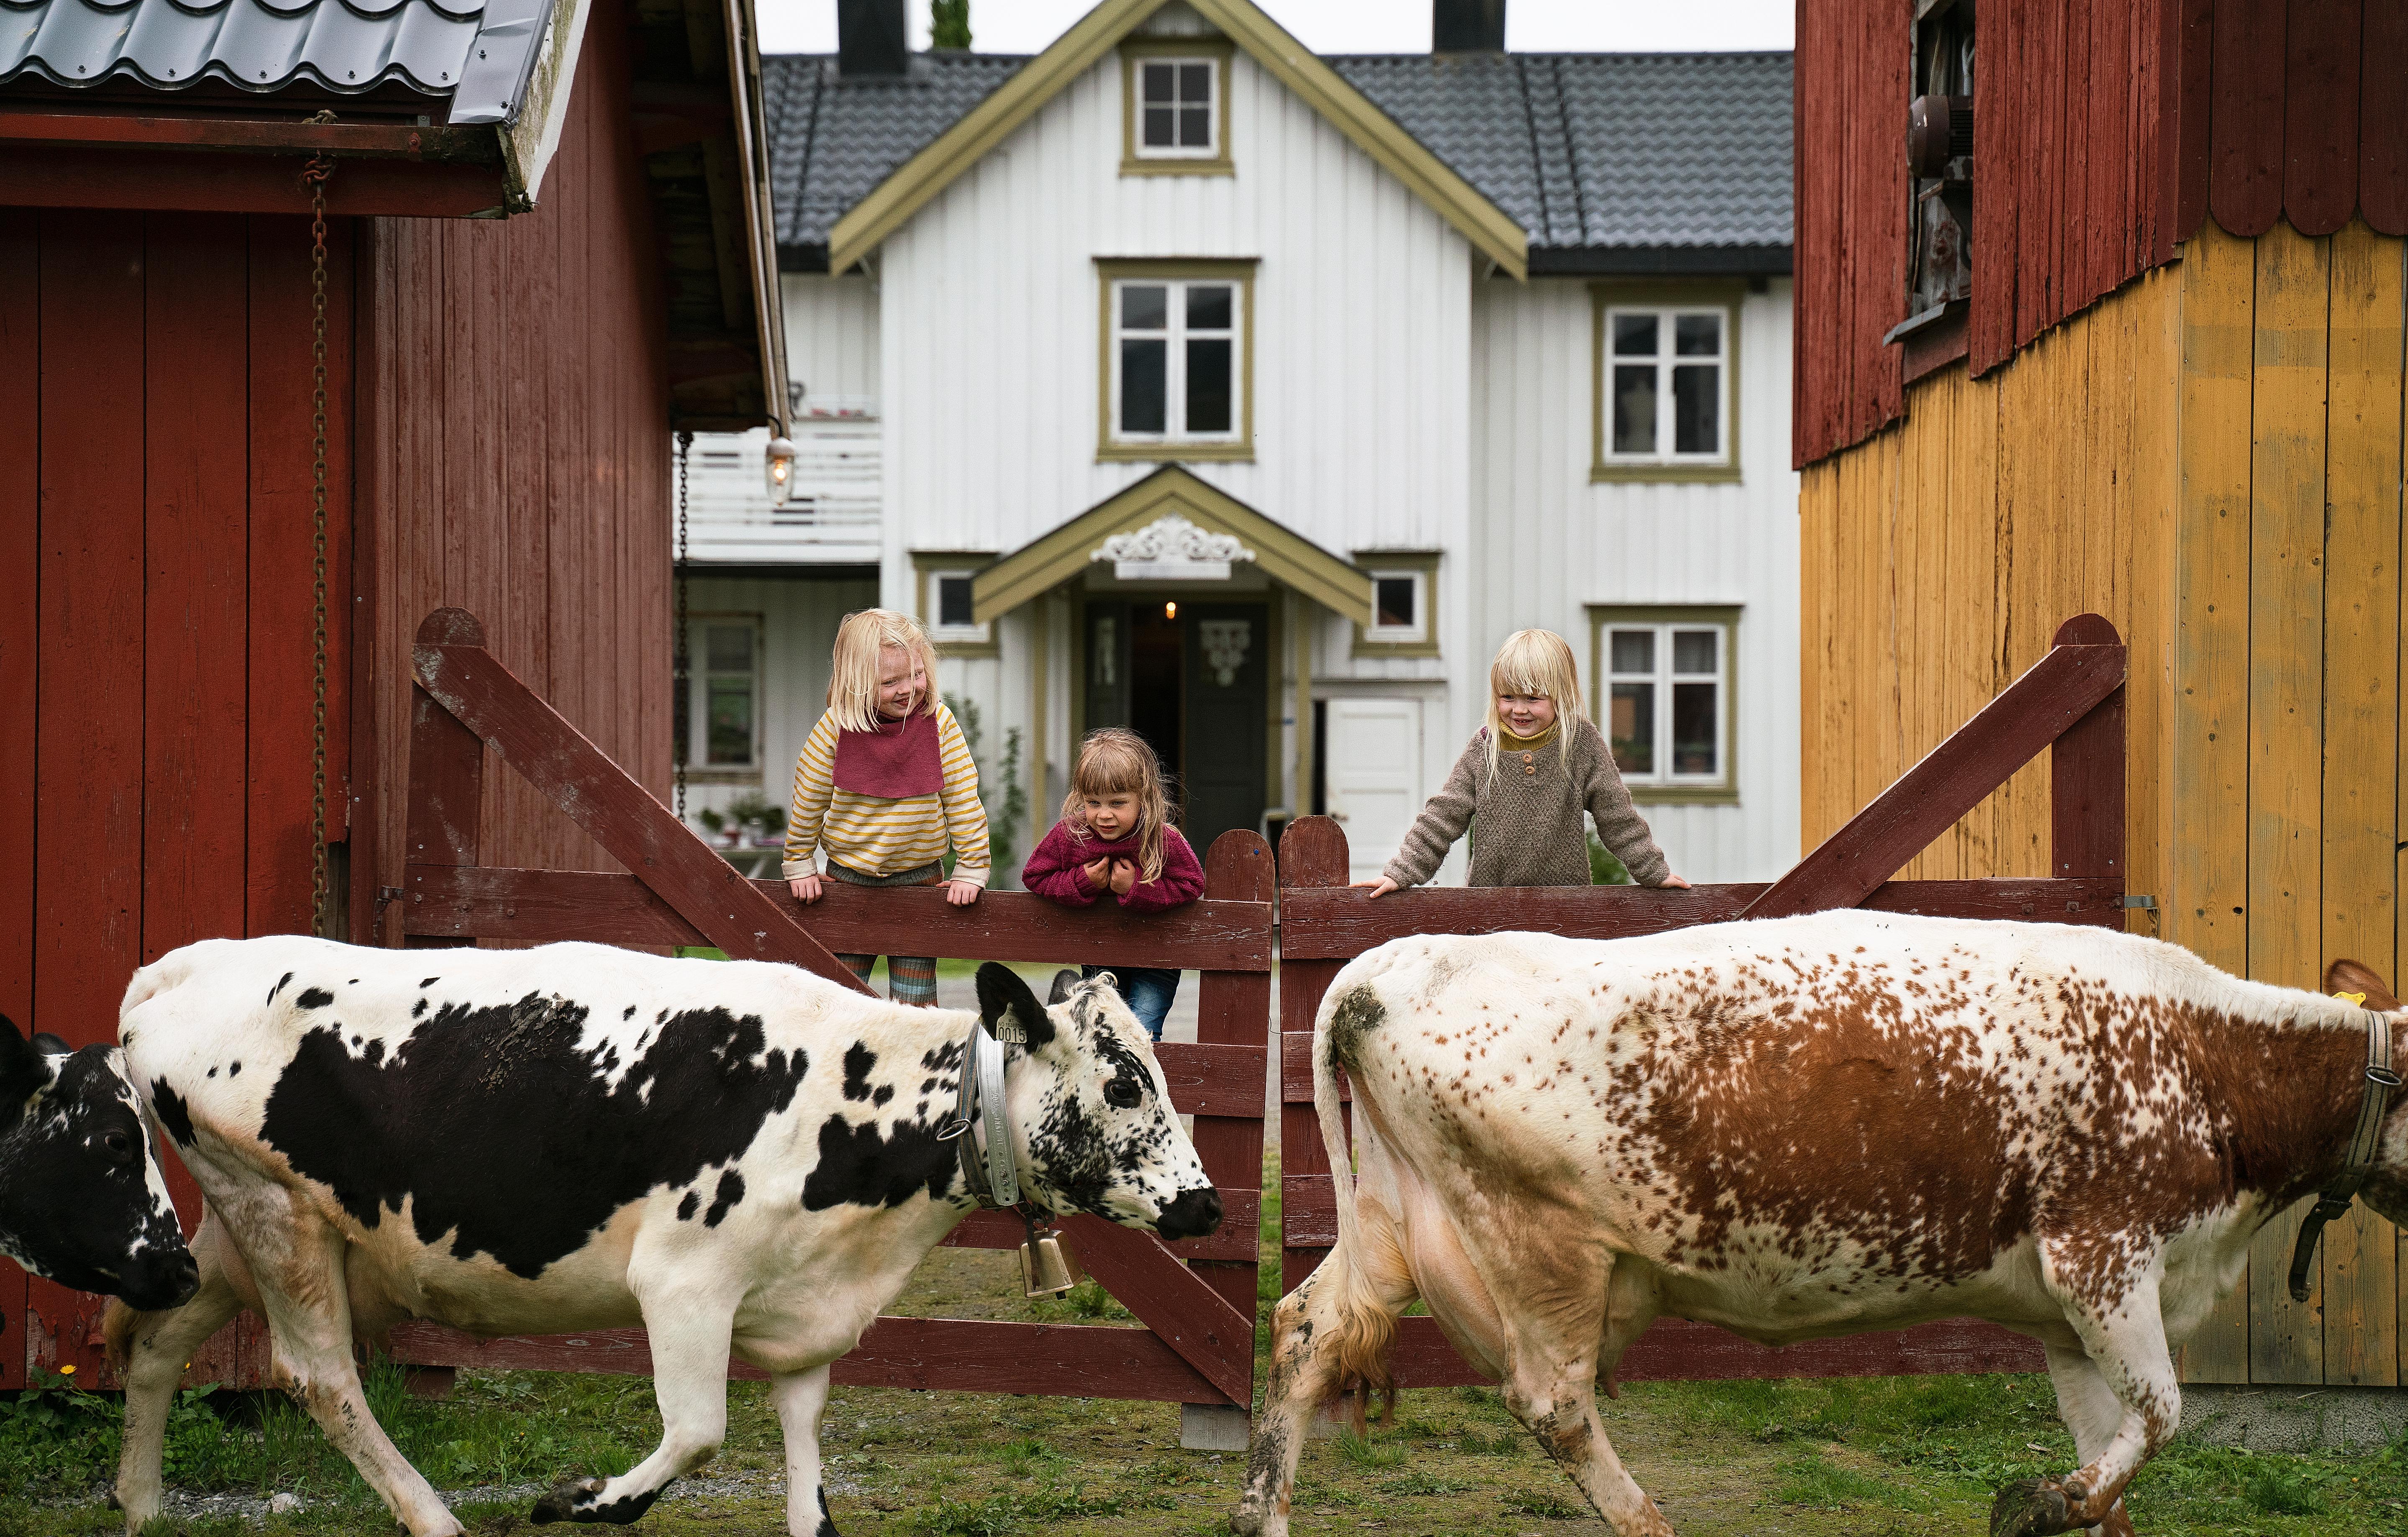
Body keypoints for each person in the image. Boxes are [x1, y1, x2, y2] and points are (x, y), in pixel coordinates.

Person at [1356, 627, 1690, 898]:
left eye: (1533, 698)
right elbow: (1442, 818)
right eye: (1508, 697)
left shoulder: (1580, 744)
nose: (1519, 709)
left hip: (1567, 904)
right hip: (1490, 904)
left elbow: (1617, 817)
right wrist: (1400, 873)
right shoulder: (1485, 748)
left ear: (1561, 696)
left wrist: (1653, 872)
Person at [783, 609, 988, 1005]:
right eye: (890, 681)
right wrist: (799, 862)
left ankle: (911, 1067)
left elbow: (963, 797)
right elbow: (809, 796)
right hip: (848, 883)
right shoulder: (836, 728)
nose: (908, 689)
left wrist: (972, 866)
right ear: (856, 685)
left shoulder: (938, 723)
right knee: (838, 999)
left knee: (916, 1006)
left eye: (916, 674)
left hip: (919, 882)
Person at [1021, 728, 1205, 1041]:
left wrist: (1135, 888)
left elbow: (1192, 884)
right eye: (1093, 803)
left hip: (1156, 958)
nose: (1104, 815)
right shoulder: (1072, 835)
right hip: (1100, 953)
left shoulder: (1162, 839)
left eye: (1118, 803)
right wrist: (1083, 882)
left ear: (1143, 798)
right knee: (1099, 1036)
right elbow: (1035, 876)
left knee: (1142, 1034)